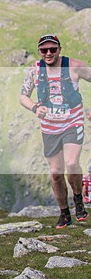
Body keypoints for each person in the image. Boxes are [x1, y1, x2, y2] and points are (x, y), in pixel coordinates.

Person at [20, 34, 91, 228]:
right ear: (40, 51)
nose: (49, 53)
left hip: (72, 122)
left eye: (53, 49)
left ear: (59, 49)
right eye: (44, 50)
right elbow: (23, 96)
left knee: (72, 163)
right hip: (50, 127)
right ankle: (64, 213)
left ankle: (78, 200)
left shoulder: (74, 66)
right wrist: (35, 107)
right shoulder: (35, 71)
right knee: (55, 174)